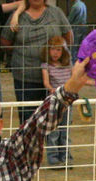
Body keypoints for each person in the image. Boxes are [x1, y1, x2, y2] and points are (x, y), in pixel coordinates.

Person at [1, 0, 72, 125]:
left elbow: (68, 37)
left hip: (54, 80)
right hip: (25, 78)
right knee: (28, 121)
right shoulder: (16, 16)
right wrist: (22, 51)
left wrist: (60, 58)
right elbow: (5, 41)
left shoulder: (56, 13)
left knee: (55, 122)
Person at [41, 35, 73, 167]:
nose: (55, 53)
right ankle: (53, 157)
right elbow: (46, 83)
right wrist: (53, 90)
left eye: (59, 50)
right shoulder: (46, 65)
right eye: (53, 49)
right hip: (54, 101)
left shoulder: (68, 64)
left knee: (65, 129)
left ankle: (65, 156)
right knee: (54, 130)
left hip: (67, 100)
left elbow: (72, 79)